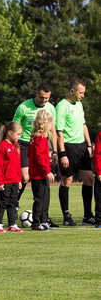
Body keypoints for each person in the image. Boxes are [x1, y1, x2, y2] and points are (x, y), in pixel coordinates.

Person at [12, 83, 58, 216]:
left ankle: (45, 216)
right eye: (41, 97)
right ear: (35, 93)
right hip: (24, 144)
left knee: (45, 179)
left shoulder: (51, 108)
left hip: (41, 143)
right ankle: (14, 204)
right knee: (25, 177)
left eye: (47, 98)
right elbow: (14, 127)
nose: (44, 100)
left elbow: (53, 131)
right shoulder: (23, 107)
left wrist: (55, 151)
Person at [55, 78, 94, 226]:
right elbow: (59, 132)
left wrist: (89, 145)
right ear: (72, 91)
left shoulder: (79, 104)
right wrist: (63, 153)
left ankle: (87, 215)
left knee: (89, 179)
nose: (82, 95)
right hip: (69, 147)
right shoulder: (62, 106)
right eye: (81, 92)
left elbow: (84, 125)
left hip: (81, 147)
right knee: (67, 181)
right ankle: (66, 216)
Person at [0, 122, 24, 233]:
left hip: (14, 180)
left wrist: (19, 179)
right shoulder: (2, 146)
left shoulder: (15, 146)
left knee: (13, 202)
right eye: (18, 134)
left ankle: (12, 224)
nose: (19, 137)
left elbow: (17, 165)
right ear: (10, 133)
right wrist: (0, 182)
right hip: (5, 181)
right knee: (3, 203)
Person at [28, 110, 56, 231]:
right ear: (45, 123)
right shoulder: (40, 139)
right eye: (50, 123)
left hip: (39, 174)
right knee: (39, 199)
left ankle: (43, 220)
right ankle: (36, 222)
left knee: (45, 197)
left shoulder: (37, 138)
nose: (51, 126)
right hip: (39, 175)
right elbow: (40, 158)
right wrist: (46, 171)